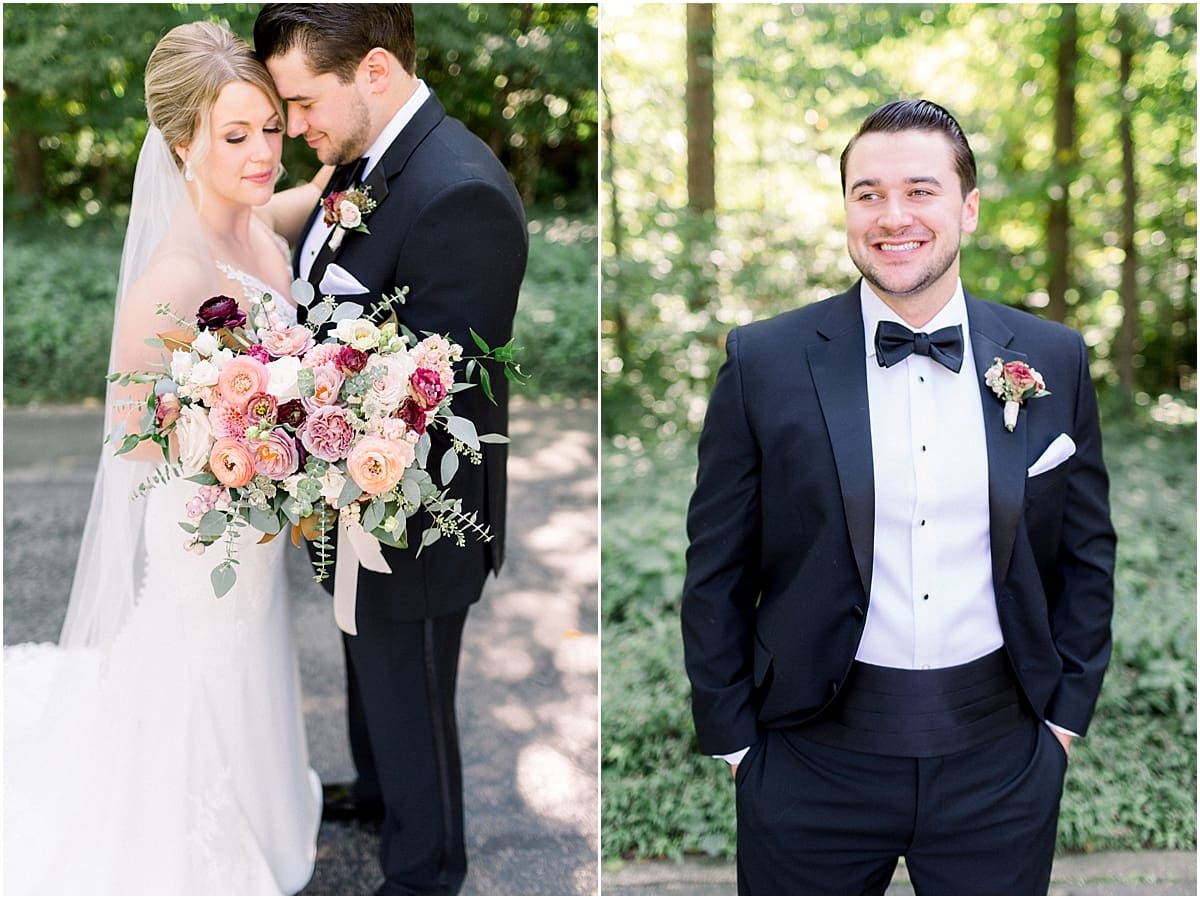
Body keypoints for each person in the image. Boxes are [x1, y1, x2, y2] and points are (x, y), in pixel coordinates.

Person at [681, 99, 1116, 895]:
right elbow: (716, 568)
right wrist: (737, 744)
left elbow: (1087, 556)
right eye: (868, 193)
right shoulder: (763, 362)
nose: (892, 216)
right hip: (809, 758)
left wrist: (1062, 723)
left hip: (1002, 761)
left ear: (968, 208)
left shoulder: (1054, 357)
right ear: (847, 209)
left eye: (920, 190)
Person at [3, 21, 332, 894]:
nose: (265, 152)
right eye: (237, 136)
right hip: (202, 522)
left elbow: (288, 210)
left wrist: (339, 187)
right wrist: (239, 441)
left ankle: (261, 801)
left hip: (256, 519)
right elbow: (129, 430)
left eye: (271, 128)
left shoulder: (260, 224)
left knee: (254, 660)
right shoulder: (173, 277)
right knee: (200, 671)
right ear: (183, 144)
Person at [253, 5, 528, 895]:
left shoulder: (459, 193)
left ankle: (426, 867)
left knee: (412, 688)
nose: (295, 126)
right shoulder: (363, 155)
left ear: (373, 70)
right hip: (348, 493)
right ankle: (378, 793)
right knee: (365, 655)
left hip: (419, 516)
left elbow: (424, 402)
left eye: (302, 102)